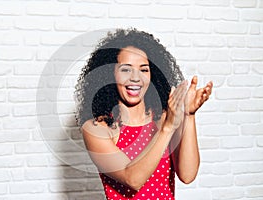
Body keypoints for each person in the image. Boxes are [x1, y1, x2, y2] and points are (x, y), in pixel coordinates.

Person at [75, 28, 213, 200]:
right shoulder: (97, 129)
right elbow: (132, 178)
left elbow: (188, 174)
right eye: (126, 70)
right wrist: (168, 128)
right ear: (109, 74)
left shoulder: (164, 117)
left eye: (144, 69)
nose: (136, 78)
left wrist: (188, 115)